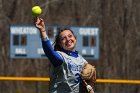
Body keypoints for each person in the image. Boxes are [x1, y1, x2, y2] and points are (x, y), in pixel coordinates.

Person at [34, 17, 95, 93]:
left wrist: (90, 86)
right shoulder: (61, 57)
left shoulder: (83, 61)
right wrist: (43, 31)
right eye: (63, 38)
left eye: (70, 36)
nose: (68, 39)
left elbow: (88, 86)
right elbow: (49, 52)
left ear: (75, 38)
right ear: (60, 44)